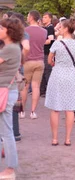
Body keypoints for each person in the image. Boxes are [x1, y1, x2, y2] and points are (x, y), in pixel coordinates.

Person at [45, 18, 75, 146]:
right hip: (70, 75)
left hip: (58, 74)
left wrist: (55, 62)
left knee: (55, 108)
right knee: (70, 109)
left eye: (60, 27)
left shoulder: (57, 44)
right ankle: (68, 139)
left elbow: (50, 60)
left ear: (66, 29)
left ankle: (55, 138)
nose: (58, 29)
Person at [0, 18, 24, 179]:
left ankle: (10, 168)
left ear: (9, 31)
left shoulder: (10, 49)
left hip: (5, 92)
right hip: (7, 91)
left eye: (1, 28)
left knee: (7, 131)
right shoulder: (11, 47)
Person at [21, 10, 47, 120]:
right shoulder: (44, 31)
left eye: (28, 15)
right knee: (36, 86)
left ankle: (22, 111)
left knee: (25, 87)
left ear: (31, 17)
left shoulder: (25, 31)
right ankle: (33, 111)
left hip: (27, 61)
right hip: (39, 61)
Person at [40, 12, 55, 97]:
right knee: (44, 71)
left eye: (45, 17)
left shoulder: (50, 28)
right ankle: (42, 90)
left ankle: (48, 91)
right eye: (43, 17)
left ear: (50, 18)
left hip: (47, 52)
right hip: (44, 52)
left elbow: (50, 40)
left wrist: (40, 42)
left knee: (47, 71)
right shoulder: (45, 27)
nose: (43, 19)